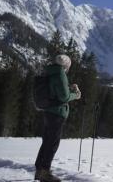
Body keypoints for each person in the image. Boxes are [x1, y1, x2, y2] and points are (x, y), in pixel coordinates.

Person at [35, 54, 82, 182]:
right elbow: (64, 97)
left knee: (47, 141)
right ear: (66, 65)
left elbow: (56, 91)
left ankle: (39, 170)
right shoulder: (60, 74)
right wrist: (75, 95)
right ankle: (45, 172)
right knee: (53, 143)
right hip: (57, 113)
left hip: (48, 111)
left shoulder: (50, 72)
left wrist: (68, 89)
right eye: (68, 66)